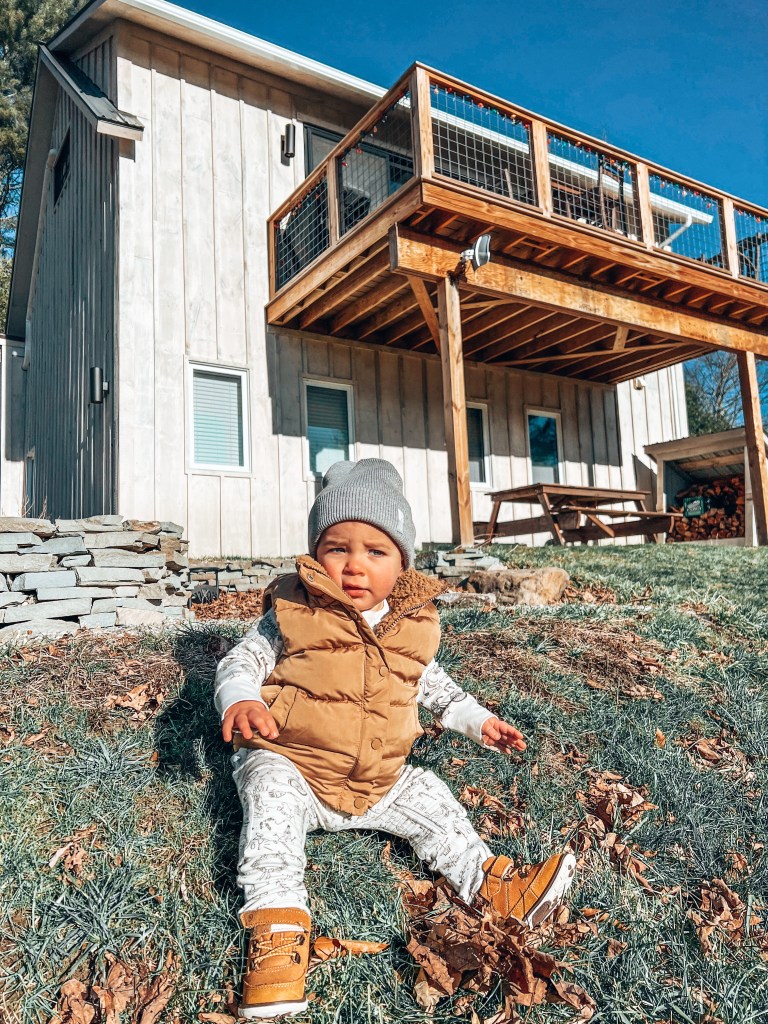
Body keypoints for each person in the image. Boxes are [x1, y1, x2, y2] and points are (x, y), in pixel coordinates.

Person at [215, 459, 576, 1019]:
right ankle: (277, 940)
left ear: (402, 562)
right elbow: (243, 661)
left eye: (375, 552)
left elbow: (433, 684)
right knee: (269, 809)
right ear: (316, 553)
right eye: (337, 548)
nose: (354, 565)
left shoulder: (412, 625)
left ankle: (491, 886)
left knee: (432, 797)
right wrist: (242, 698)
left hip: (377, 778)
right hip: (294, 761)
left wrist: (477, 719)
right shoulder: (293, 609)